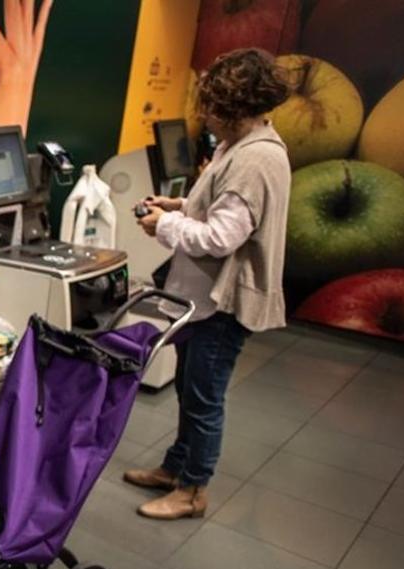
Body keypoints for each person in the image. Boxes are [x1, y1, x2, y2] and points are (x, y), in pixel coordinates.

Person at [127, 48, 291, 519]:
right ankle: (176, 467)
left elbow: (220, 238)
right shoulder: (239, 147)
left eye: (213, 108)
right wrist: (177, 206)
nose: (205, 117)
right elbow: (221, 210)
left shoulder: (255, 160)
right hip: (201, 301)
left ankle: (193, 491)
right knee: (188, 385)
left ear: (234, 108)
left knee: (203, 398)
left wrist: (162, 225)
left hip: (222, 307)